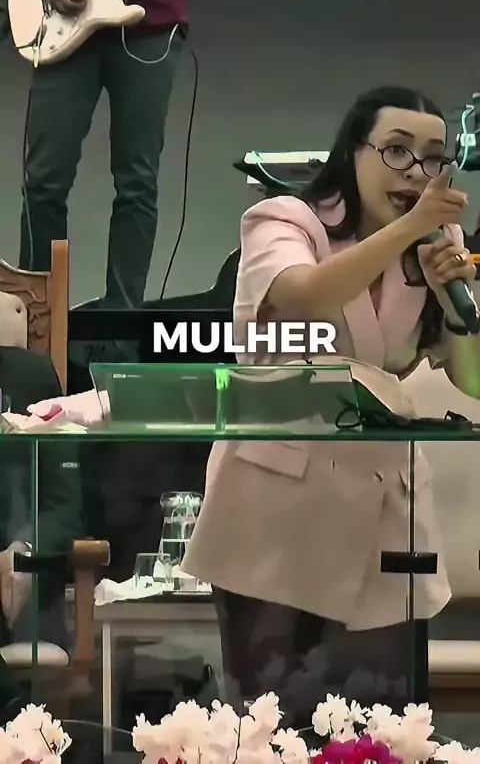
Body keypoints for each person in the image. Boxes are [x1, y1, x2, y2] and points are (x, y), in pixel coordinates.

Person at [183, 85, 480, 728]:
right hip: (275, 507)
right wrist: (409, 228)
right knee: (270, 729)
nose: (416, 171)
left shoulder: (434, 242)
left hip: (382, 513)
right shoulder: (285, 220)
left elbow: (474, 381)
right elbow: (303, 298)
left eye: (433, 156)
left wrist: (456, 301)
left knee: (380, 730)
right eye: (396, 150)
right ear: (352, 152)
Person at [3, 0, 225, 309]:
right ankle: (36, 320)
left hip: (152, 20)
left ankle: (121, 325)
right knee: (44, 183)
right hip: (66, 6)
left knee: (137, 183)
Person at [0, 344, 83, 721]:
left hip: (19, 586)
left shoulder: (30, 377)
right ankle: (22, 724)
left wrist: (26, 550)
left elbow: (65, 504)